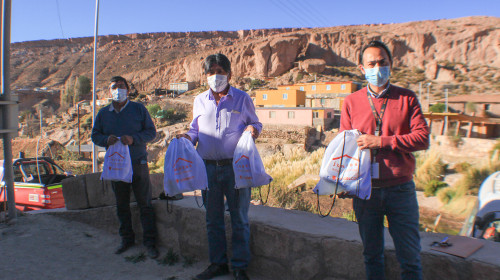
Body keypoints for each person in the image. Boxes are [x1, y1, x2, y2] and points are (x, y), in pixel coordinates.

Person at [339, 40, 430, 280]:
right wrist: (341, 181)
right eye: (372, 63)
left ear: (391, 65)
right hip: (365, 192)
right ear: (362, 68)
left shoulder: (408, 99)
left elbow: (422, 139)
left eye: (383, 62)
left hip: (401, 191)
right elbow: (344, 147)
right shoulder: (351, 102)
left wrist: (382, 142)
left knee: (410, 258)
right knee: (372, 256)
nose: (377, 68)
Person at [178, 53, 262, 280]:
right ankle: (218, 264)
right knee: (212, 219)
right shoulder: (199, 101)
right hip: (207, 168)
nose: (216, 76)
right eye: (211, 72)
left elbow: (255, 122)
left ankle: (239, 267)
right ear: (205, 76)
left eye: (220, 71)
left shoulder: (242, 99)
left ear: (229, 74)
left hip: (235, 168)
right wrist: (187, 137)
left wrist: (253, 130)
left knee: (240, 219)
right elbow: (195, 129)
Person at [91, 76, 159, 259]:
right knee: (121, 205)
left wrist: (133, 139)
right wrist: (106, 140)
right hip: (116, 166)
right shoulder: (103, 114)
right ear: (110, 91)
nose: (118, 89)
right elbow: (95, 135)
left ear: (128, 90)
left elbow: (151, 132)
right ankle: (126, 240)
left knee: (145, 204)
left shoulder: (138, 109)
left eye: (121, 86)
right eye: (114, 87)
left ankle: (150, 243)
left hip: (138, 164)